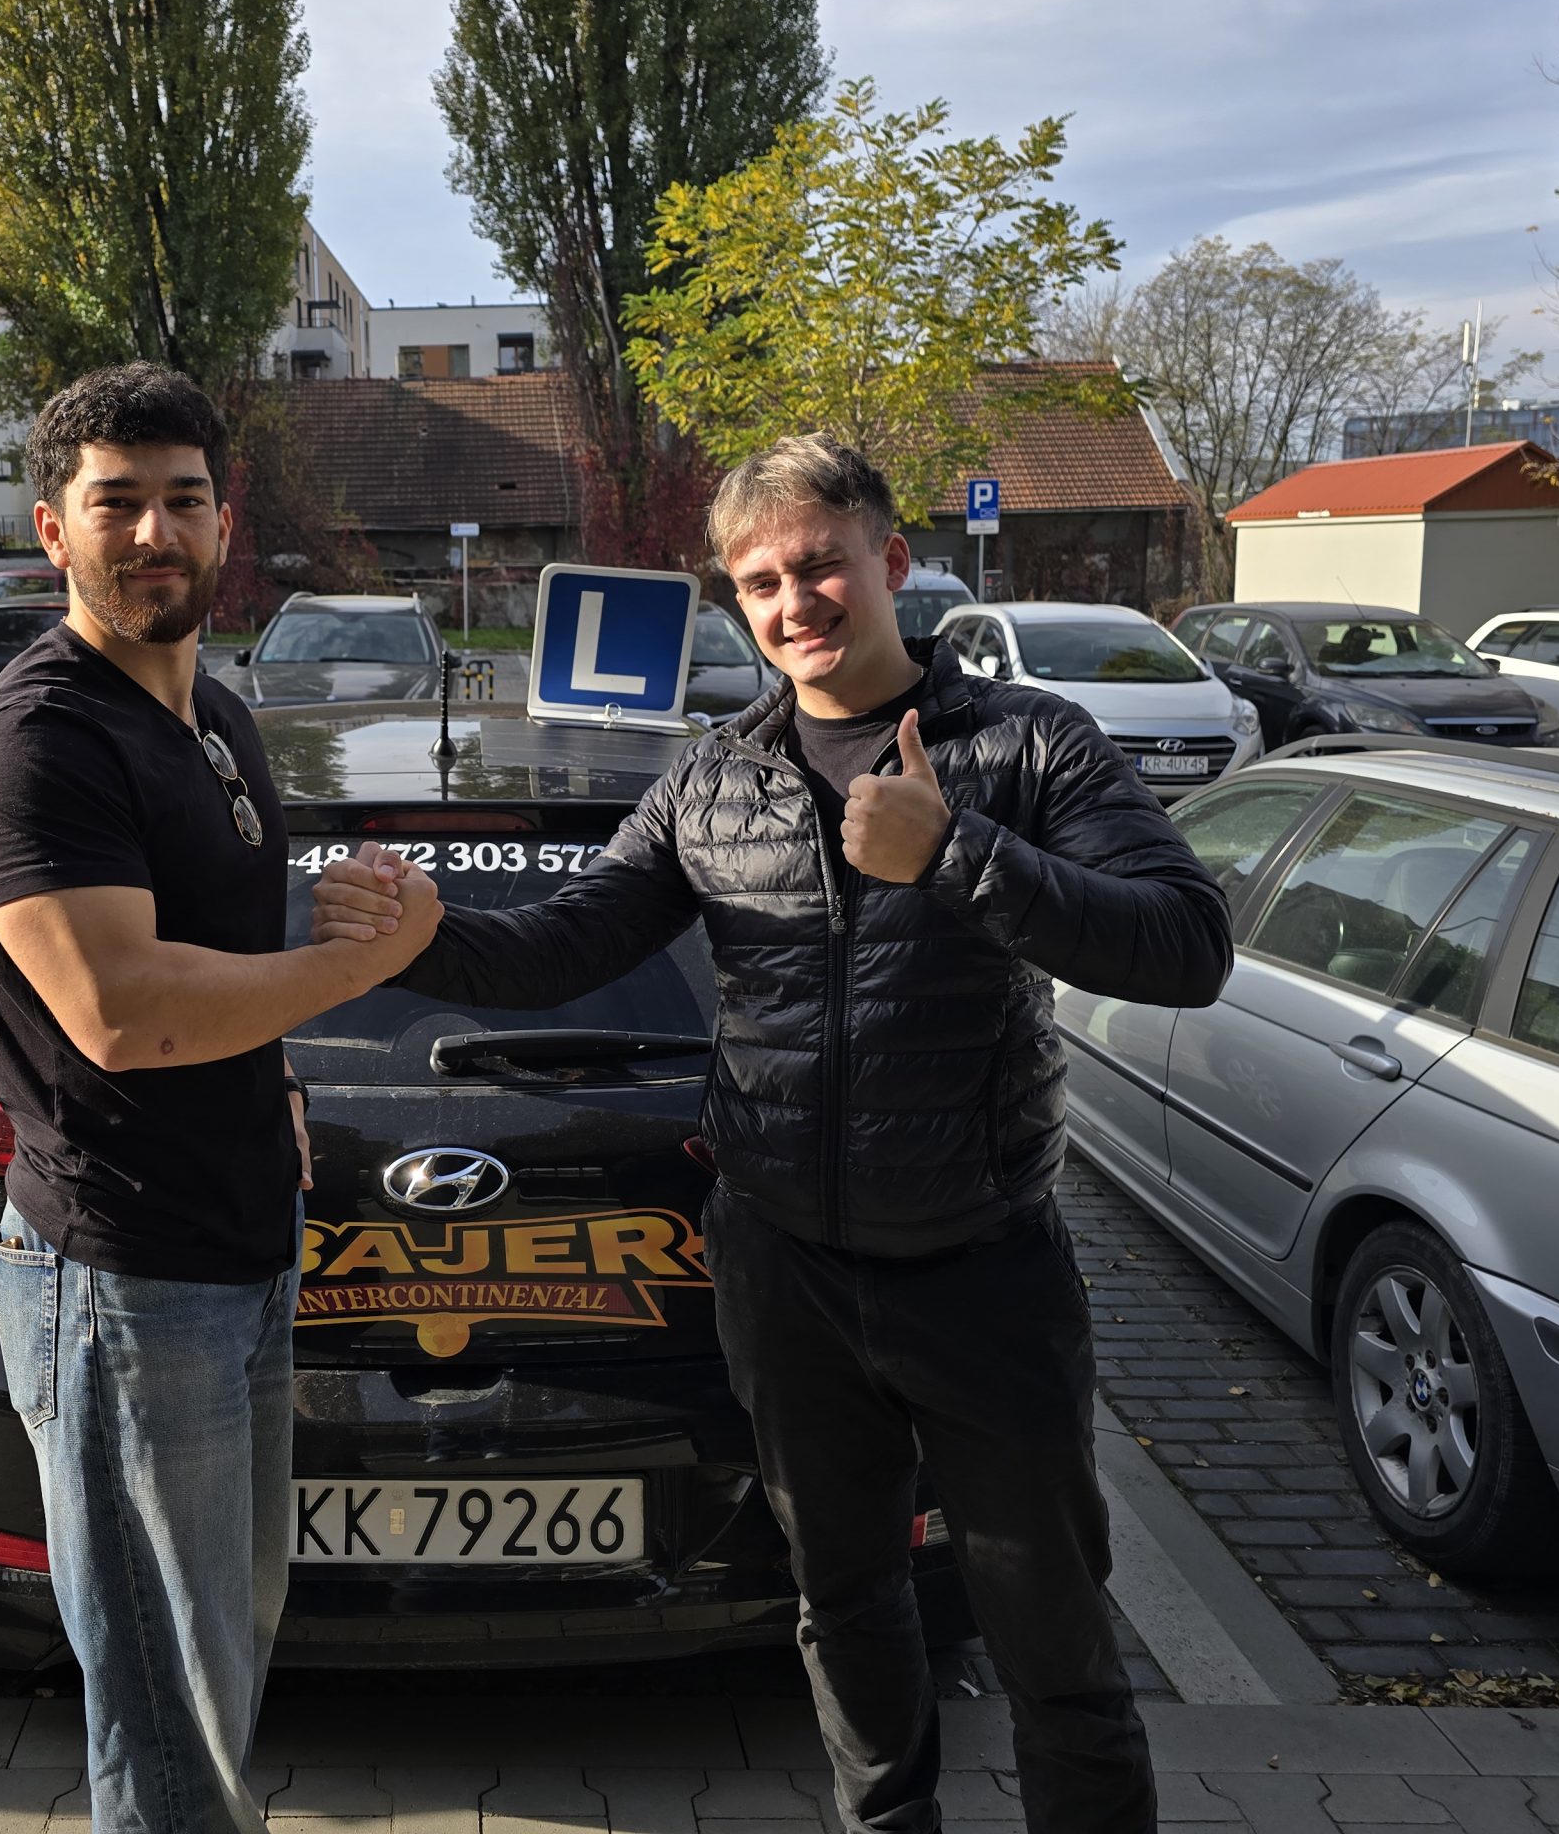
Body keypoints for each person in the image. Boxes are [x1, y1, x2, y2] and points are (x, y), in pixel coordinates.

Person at [312, 433, 1232, 1834]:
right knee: (846, 1607)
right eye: (760, 582)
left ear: (891, 562)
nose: (795, 602)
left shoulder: (1027, 742)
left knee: (1051, 1637)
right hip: (786, 1272)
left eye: (820, 566)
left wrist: (955, 854)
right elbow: (571, 943)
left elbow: (1186, 944)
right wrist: (424, 940)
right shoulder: (712, 779)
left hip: (982, 1271)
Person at [0, 363, 441, 1834]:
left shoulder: (212, 713)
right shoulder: (38, 745)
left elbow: (212, 953)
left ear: (226, 520)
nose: (155, 532)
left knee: (221, 1650)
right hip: (122, 1276)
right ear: (51, 528)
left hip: (239, 1245)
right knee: (167, 1691)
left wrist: (272, 1072)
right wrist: (364, 968)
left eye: (184, 499)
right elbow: (124, 1013)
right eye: (117, 503)